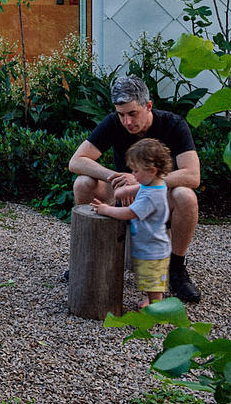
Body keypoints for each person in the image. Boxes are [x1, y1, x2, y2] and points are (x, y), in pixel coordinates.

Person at [68, 76, 201, 303]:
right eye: (121, 115)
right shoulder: (113, 123)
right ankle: (89, 258)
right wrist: (113, 176)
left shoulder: (173, 124)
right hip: (123, 195)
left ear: (148, 106)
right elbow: (76, 161)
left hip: (158, 196)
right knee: (83, 182)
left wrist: (143, 183)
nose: (127, 122)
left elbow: (192, 175)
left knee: (186, 195)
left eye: (132, 114)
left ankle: (177, 269)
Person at [90, 137, 172, 306]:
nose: (133, 175)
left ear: (152, 171)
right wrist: (122, 192)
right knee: (150, 278)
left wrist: (106, 209)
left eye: (136, 171)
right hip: (149, 243)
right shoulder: (155, 184)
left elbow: (129, 213)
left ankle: (156, 308)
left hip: (153, 247)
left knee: (153, 280)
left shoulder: (151, 196)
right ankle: (152, 300)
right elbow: (137, 188)